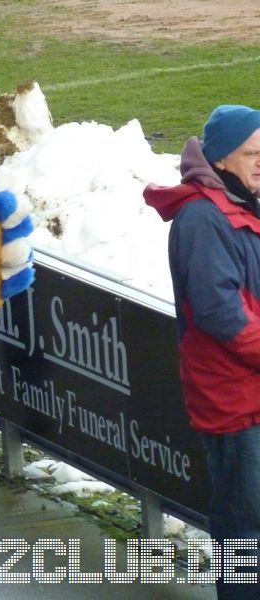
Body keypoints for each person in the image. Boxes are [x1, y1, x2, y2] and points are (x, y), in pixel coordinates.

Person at [145, 104, 260, 599]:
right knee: (244, 529)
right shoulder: (201, 218)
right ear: (222, 160)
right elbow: (221, 316)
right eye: (253, 154)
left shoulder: (241, 203)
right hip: (236, 404)